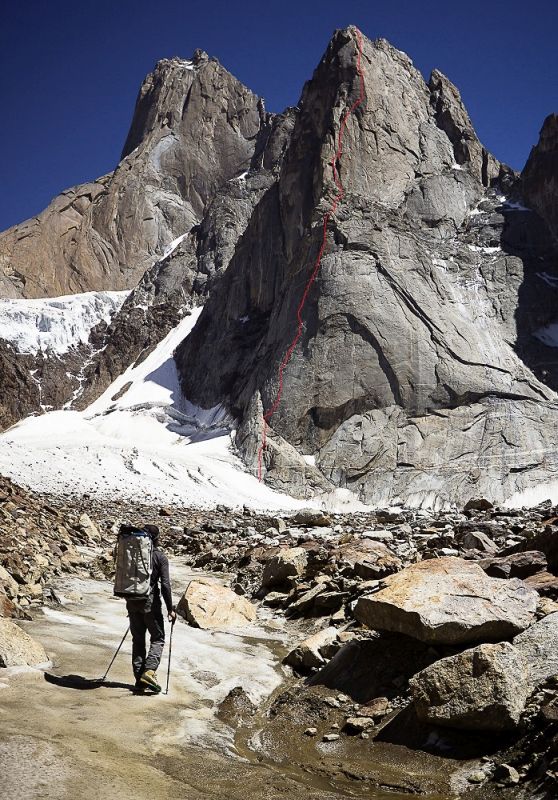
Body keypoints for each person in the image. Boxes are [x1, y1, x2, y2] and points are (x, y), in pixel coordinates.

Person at [126, 524, 176, 693]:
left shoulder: (132, 554)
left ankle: (139, 680)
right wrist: (170, 608)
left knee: (138, 640)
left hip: (132, 602)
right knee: (158, 638)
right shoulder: (159, 557)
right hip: (150, 604)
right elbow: (166, 585)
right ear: (156, 538)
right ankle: (149, 672)